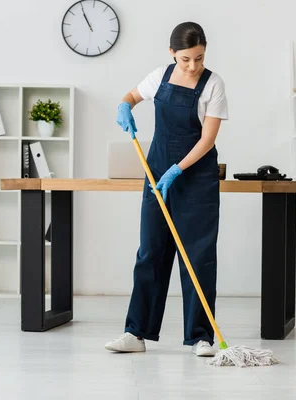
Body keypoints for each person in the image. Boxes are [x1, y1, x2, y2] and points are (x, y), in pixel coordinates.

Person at [105, 22, 228, 357]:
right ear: (172, 53)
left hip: (196, 178)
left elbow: (208, 139)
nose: (193, 66)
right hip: (155, 171)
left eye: (199, 58)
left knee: (197, 257)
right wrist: (124, 107)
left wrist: (178, 169)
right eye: (186, 59)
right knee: (150, 252)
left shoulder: (213, 84)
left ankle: (201, 337)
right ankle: (136, 332)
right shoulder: (160, 75)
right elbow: (131, 96)